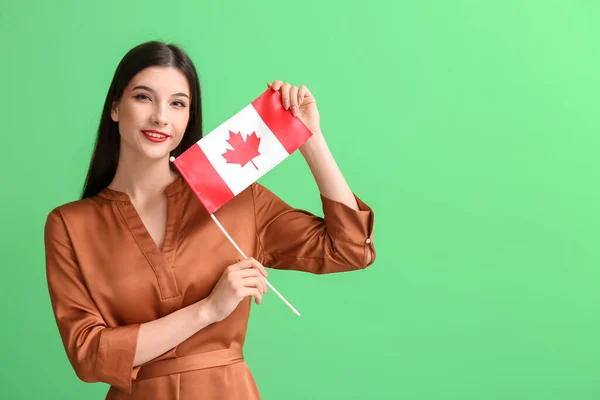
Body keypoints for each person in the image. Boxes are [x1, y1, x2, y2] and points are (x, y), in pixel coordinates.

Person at [44, 40, 376, 399]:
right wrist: (208, 310)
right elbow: (90, 356)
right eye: (143, 97)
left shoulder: (237, 199)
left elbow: (350, 249)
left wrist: (309, 138)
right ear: (115, 107)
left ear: (189, 117)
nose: (161, 116)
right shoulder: (70, 225)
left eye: (177, 103)